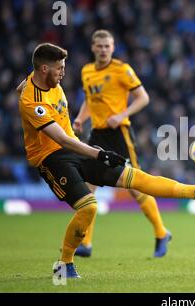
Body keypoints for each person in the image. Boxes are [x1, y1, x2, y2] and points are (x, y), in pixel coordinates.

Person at [18, 43, 195, 278]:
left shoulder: (42, 79)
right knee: (89, 206)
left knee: (135, 177)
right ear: (44, 69)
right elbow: (62, 140)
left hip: (76, 148)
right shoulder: (32, 102)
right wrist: (99, 153)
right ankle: (64, 265)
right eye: (59, 69)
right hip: (51, 159)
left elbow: (25, 86)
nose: (63, 73)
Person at [71, 30, 170, 258]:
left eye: (107, 46)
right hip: (97, 135)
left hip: (120, 134)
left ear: (112, 47)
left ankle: (161, 232)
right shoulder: (86, 71)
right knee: (88, 188)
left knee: (135, 188)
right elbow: (90, 100)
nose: (103, 49)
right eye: (100, 46)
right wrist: (80, 118)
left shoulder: (122, 70)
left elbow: (143, 97)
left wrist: (122, 114)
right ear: (93, 48)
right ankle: (85, 243)